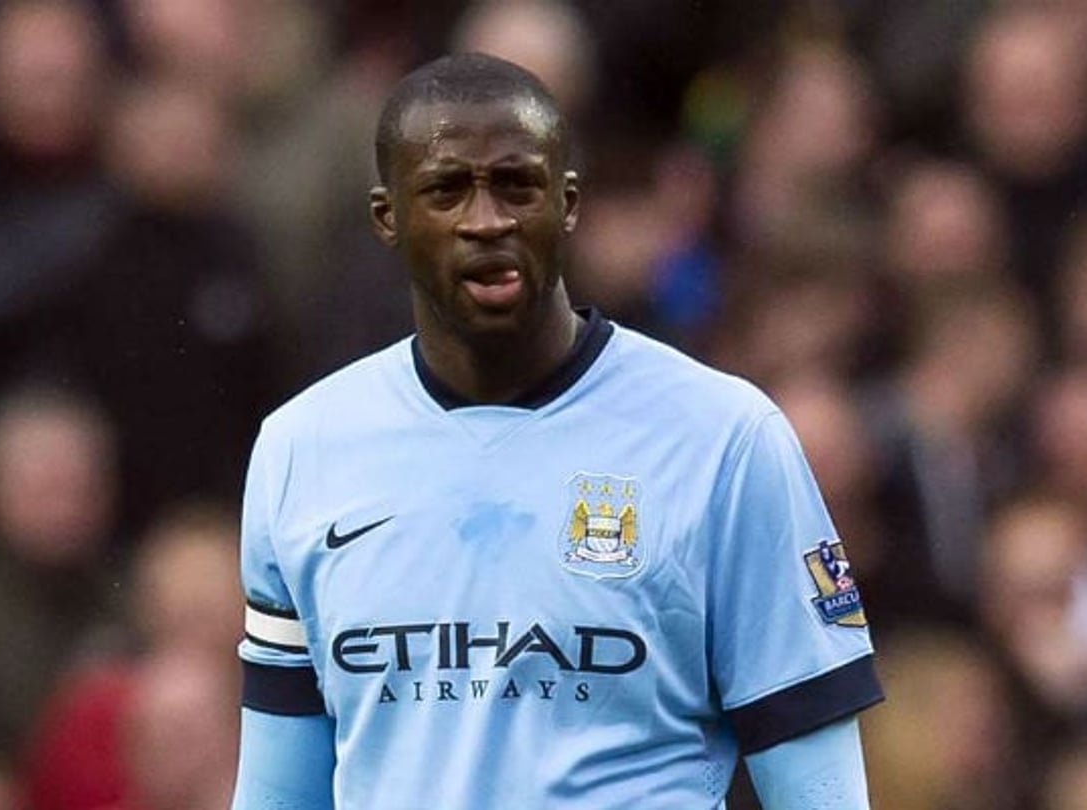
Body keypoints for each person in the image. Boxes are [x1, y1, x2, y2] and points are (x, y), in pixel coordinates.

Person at [231, 53, 883, 809]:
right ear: (388, 216)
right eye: (446, 189)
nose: (486, 220)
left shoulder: (724, 439)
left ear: (566, 204)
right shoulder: (301, 449)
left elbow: (819, 788)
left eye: (517, 185)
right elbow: (278, 793)